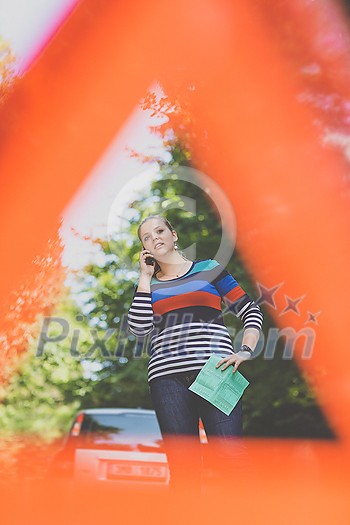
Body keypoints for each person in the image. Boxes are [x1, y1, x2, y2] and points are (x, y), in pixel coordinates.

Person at [127, 214, 263, 491]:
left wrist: (245, 350)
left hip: (216, 370)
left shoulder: (209, 269)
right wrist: (144, 276)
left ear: (173, 235)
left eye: (160, 231)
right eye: (147, 238)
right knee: (183, 467)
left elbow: (250, 310)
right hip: (166, 379)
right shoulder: (148, 285)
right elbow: (139, 329)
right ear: (145, 249)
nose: (155, 239)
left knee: (230, 456)